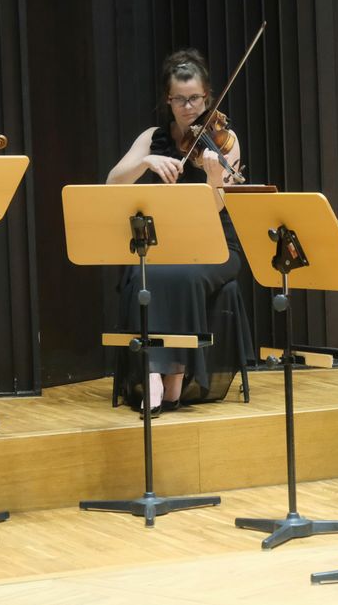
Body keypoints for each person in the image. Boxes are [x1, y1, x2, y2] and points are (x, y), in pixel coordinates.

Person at [105, 48, 251, 415]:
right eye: (180, 100)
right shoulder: (153, 137)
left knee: (180, 274)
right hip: (163, 244)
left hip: (216, 246)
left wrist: (214, 174)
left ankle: (171, 375)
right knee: (148, 269)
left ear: (208, 97)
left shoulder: (223, 140)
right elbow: (112, 184)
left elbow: (217, 207)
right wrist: (144, 162)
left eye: (195, 99)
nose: (189, 108)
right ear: (167, 100)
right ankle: (158, 376)